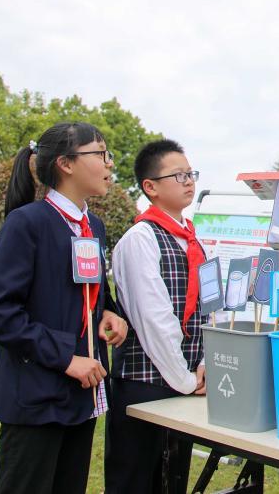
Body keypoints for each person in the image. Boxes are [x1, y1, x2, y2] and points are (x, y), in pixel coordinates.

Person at [0, 122, 128, 494]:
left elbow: (88, 289)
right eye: (101, 154)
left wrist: (108, 311)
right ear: (66, 163)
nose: (110, 164)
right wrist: (66, 359)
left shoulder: (93, 225)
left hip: (83, 394)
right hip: (36, 396)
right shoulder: (27, 223)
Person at [105, 139, 206, 494]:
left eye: (191, 173)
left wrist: (203, 365)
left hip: (187, 381)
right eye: (178, 175)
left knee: (172, 480)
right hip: (145, 384)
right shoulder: (140, 239)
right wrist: (186, 379)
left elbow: (207, 309)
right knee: (135, 481)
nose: (189, 181)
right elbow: (153, 319)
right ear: (150, 187)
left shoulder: (192, 240)